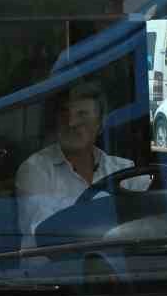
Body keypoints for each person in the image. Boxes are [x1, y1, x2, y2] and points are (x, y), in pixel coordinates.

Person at [16, 81, 136, 239]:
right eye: (65, 114)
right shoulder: (36, 169)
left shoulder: (124, 169)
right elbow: (45, 232)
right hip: (57, 263)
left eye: (82, 115)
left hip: (120, 262)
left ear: (100, 124)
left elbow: (155, 216)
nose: (71, 123)